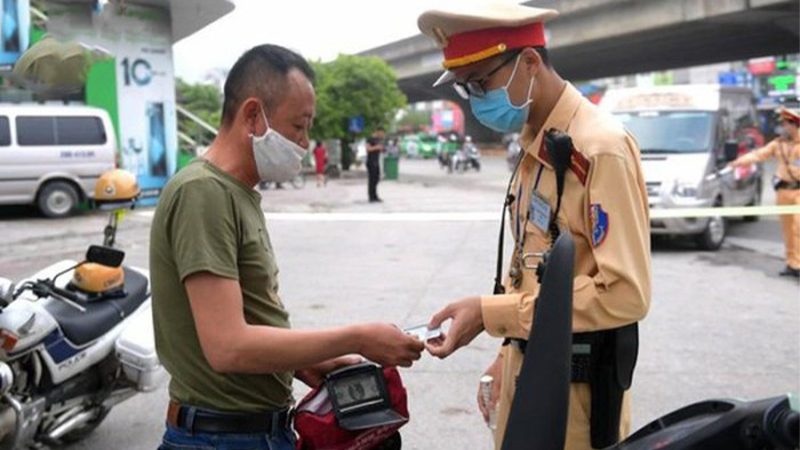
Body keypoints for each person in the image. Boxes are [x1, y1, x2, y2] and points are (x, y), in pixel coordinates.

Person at [149, 44, 424, 450]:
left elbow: (248, 320)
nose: (304, 141)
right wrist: (356, 337)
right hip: (222, 439)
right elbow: (227, 346)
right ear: (253, 114)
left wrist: (305, 362)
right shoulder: (203, 193)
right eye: (299, 126)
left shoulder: (236, 192)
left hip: (254, 430)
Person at [416, 3, 651, 449]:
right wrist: (508, 355)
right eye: (466, 90)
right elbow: (532, 264)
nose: (476, 99)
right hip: (530, 371)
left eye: (481, 83)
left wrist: (492, 314)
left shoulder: (600, 148)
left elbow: (624, 294)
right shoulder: (536, 144)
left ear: (529, 62)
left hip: (577, 399)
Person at [729, 107, 800, 279]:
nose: (783, 128)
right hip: (782, 191)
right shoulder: (778, 144)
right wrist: (738, 162)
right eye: (782, 124)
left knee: (798, 229)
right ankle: (791, 263)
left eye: (786, 124)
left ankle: (798, 263)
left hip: (798, 191)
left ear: (795, 125)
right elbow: (759, 155)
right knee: (787, 230)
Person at [366, 127, 385, 202]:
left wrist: (381, 148)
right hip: (371, 162)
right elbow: (368, 149)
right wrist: (377, 147)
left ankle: (375, 195)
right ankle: (371, 196)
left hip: (376, 162)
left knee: (376, 179)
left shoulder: (378, 140)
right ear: (378, 132)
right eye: (382, 133)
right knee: (372, 180)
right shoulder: (370, 139)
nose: (382, 135)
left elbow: (380, 149)